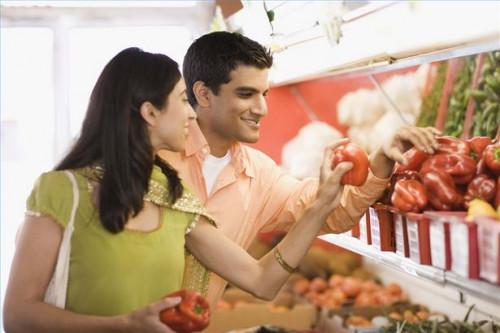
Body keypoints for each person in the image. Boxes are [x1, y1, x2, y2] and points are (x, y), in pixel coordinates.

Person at [3, 47, 353, 333]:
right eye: (184, 100)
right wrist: (122, 326)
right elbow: (17, 315)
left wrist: (322, 205)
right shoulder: (61, 190)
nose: (191, 114)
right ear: (150, 112)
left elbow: (261, 281)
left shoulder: (173, 198)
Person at [159, 31, 440, 306]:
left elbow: (329, 209)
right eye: (246, 94)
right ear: (204, 94)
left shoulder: (259, 175)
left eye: (264, 94)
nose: (261, 108)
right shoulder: (155, 160)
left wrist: (381, 160)